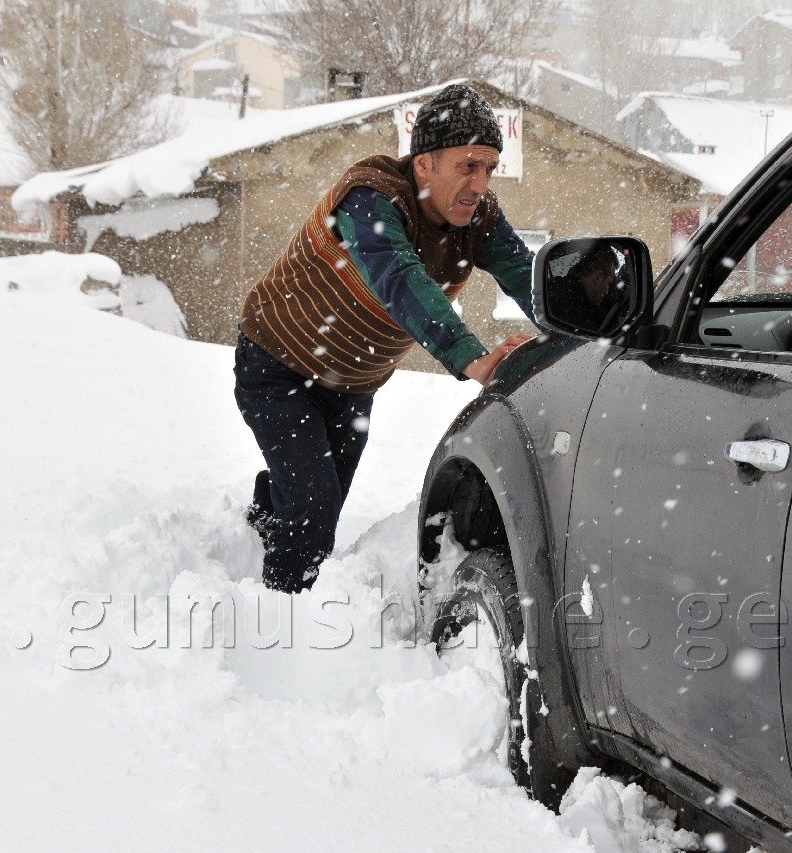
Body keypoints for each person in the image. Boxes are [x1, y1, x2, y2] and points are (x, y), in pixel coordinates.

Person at [234, 83, 538, 593]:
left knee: (319, 499)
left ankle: (261, 526)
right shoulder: (370, 198)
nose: (480, 183)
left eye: (489, 168)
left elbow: (527, 277)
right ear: (424, 164)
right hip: (277, 363)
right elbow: (400, 280)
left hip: (352, 383)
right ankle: (280, 613)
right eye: (467, 166)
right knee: (313, 511)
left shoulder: (477, 217)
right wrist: (473, 358)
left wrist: (588, 319)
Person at [549, 243, 625, 333]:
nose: (607, 292)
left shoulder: (571, 294)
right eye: (608, 283)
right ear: (599, 277)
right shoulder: (572, 309)